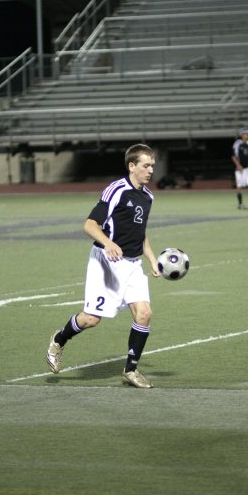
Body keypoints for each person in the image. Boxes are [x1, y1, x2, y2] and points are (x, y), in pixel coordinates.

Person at [46, 143, 161, 388]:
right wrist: (108, 243)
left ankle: (130, 370)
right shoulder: (116, 190)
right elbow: (89, 225)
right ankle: (59, 338)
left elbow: (140, 233)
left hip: (132, 264)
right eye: (146, 165)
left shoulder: (148, 196)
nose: (150, 170)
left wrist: (151, 258)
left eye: (152, 165)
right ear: (132, 166)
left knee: (145, 313)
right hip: (106, 263)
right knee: (91, 319)